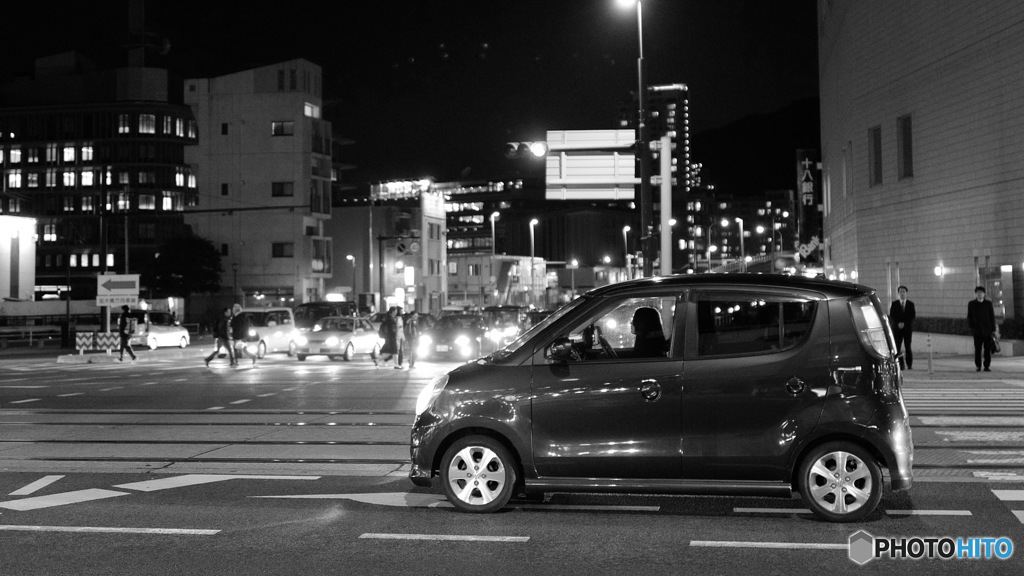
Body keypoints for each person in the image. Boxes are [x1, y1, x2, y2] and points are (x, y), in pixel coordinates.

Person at [967, 286, 999, 372]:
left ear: (984, 294)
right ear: (975, 294)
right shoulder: (971, 304)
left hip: (987, 330)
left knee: (987, 349)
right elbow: (969, 317)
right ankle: (978, 365)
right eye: (978, 293)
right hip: (977, 330)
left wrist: (993, 329)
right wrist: (972, 327)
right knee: (978, 349)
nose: (979, 294)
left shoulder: (988, 303)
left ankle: (987, 366)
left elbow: (992, 317)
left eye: (981, 293)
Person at [889, 285, 916, 370]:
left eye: (903, 292)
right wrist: (898, 323)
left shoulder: (910, 304)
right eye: (900, 292)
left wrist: (904, 323)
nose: (902, 293)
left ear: (906, 293)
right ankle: (900, 364)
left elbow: (912, 316)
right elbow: (892, 315)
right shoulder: (894, 304)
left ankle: (909, 364)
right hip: (897, 329)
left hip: (907, 329)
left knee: (908, 346)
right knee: (897, 347)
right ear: (898, 293)